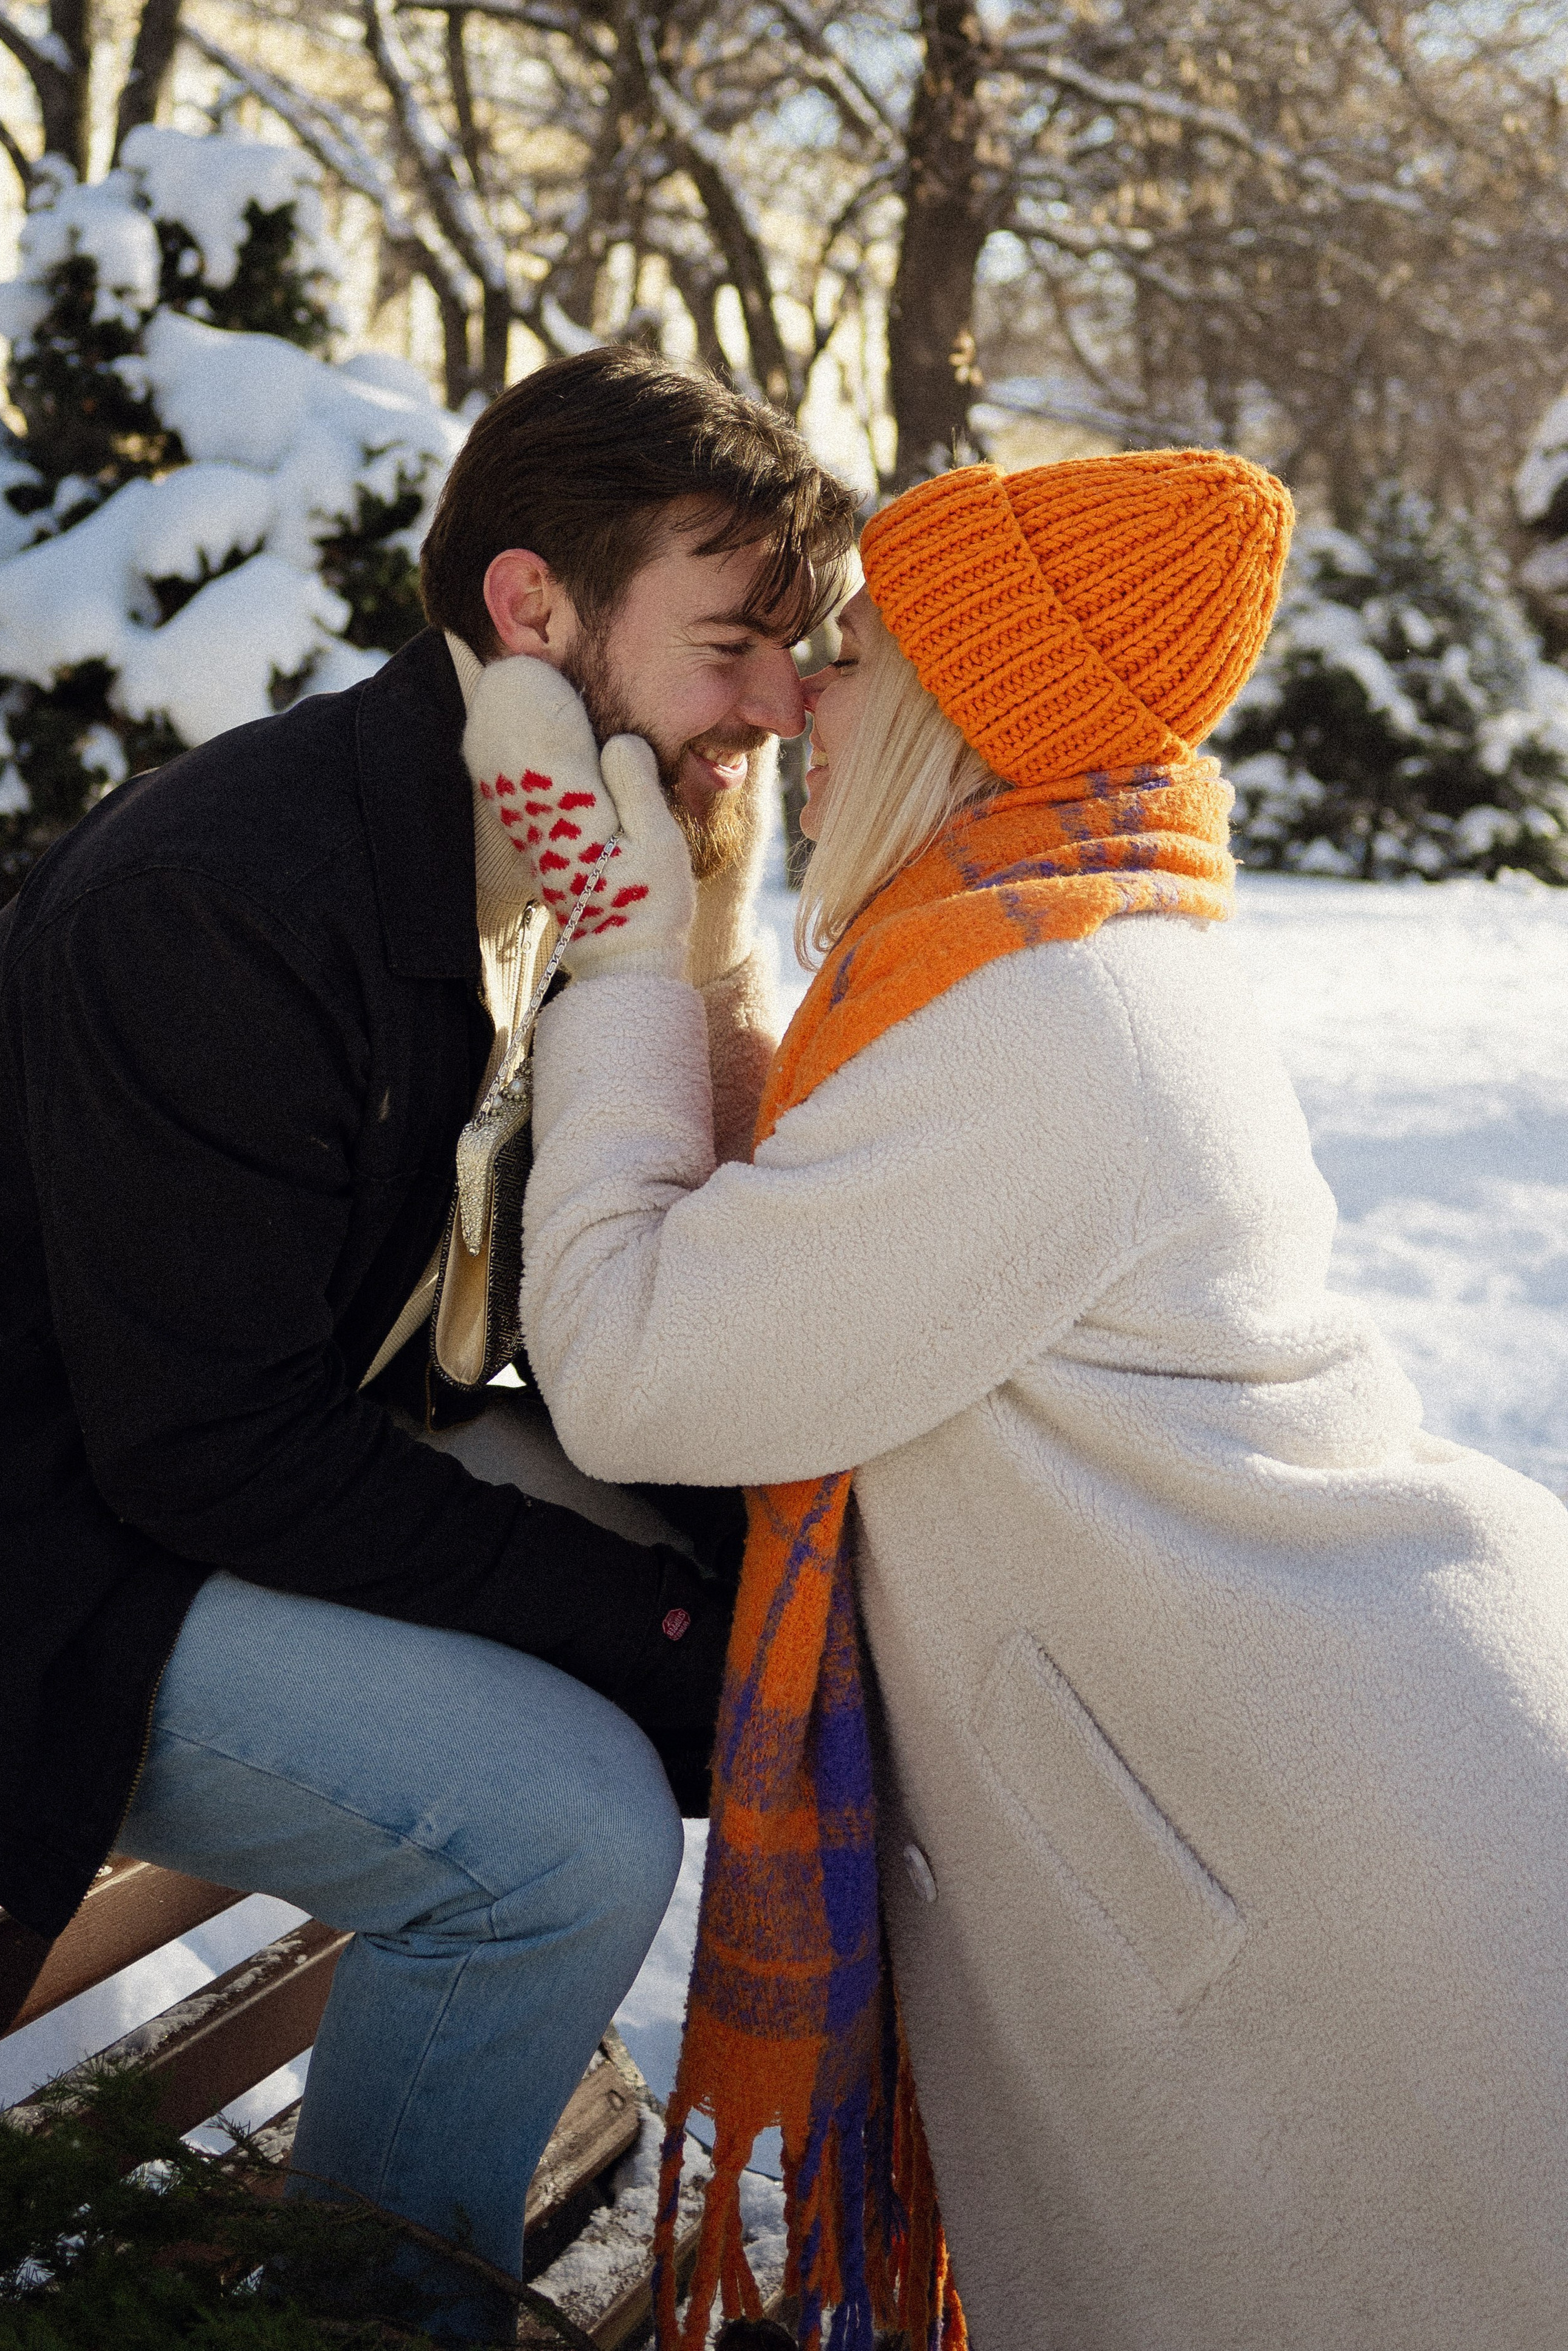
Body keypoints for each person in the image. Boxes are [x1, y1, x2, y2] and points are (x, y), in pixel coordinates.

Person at [470, 448, 1568, 2350]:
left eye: (870, 651)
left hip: (1335, 1902)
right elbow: (794, 1243)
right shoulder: (1043, 951)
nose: (814, 687)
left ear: (978, 714)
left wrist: (640, 954)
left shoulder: (1047, 1018)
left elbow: (646, 1363)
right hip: (1322, 1805)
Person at [0, 347, 854, 2332]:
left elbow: (626, 1298)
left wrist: (689, 953)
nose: (778, 706)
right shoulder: (244, 887)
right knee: (554, 1838)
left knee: (802, 1615)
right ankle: (358, 2319)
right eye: (734, 646)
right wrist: (643, 1634)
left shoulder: (557, 847)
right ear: (532, 609)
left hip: (204, 1454)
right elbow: (209, 1446)